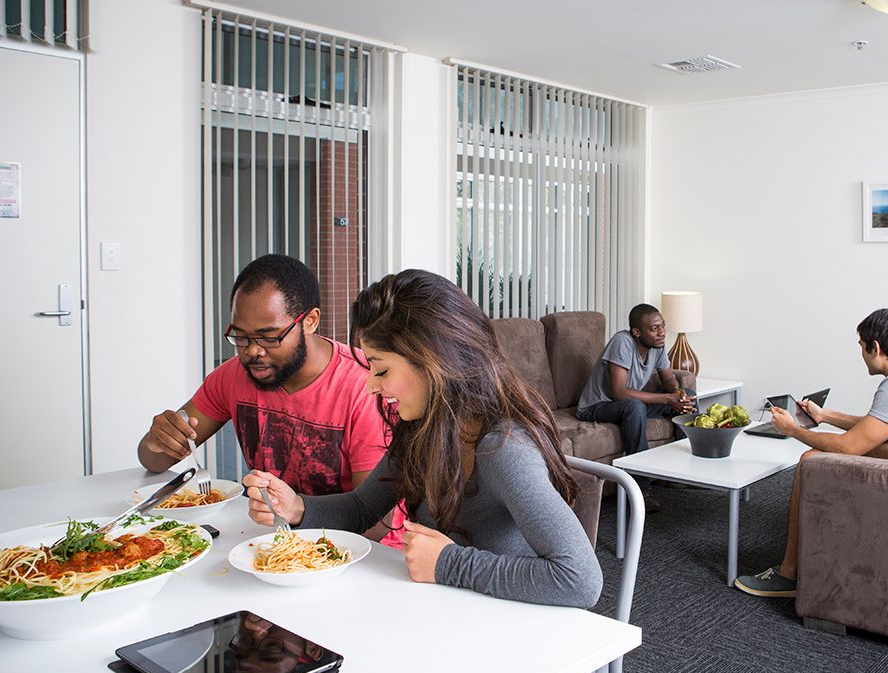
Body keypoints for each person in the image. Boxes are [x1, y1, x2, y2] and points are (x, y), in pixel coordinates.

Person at [242, 269, 602, 608]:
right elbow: (363, 508)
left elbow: (581, 579)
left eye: (381, 369)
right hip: (446, 610)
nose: (371, 385)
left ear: (434, 361)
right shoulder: (424, 428)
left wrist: (448, 563)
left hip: (510, 632)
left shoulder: (503, 448)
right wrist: (298, 507)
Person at [735, 308, 888, 599]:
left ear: (875, 347)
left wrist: (792, 429)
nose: (861, 355)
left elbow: (849, 447)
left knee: (811, 460)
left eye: (862, 347)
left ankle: (788, 574)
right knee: (855, 445)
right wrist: (825, 416)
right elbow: (877, 424)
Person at [138, 254, 392, 534]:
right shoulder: (232, 376)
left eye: (269, 337)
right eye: (241, 337)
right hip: (273, 542)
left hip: (359, 555)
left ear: (310, 321)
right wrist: (158, 440)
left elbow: (375, 522)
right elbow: (153, 461)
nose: (253, 351)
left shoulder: (366, 386)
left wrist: (297, 513)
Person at [576, 303, 695, 512]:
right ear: (637, 332)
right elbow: (619, 393)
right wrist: (668, 399)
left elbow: (668, 379)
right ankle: (639, 488)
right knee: (634, 407)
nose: (661, 333)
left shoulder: (657, 346)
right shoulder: (622, 342)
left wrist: (678, 393)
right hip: (597, 406)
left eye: (663, 326)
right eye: (654, 328)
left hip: (626, 405)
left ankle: (681, 473)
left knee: (690, 397)